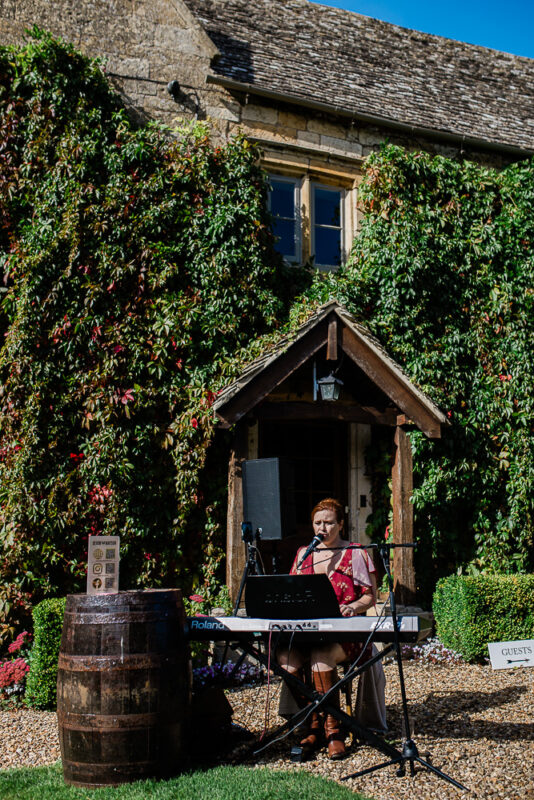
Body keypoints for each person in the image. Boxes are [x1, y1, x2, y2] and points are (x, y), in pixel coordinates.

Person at [277, 497, 386, 759]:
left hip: (344, 632)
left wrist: (353, 607)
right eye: (317, 523)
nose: (322, 528)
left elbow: (369, 596)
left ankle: (332, 729)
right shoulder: (304, 554)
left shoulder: (355, 552)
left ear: (340, 525)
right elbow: (292, 592)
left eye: (328, 523)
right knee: (285, 660)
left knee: (321, 656)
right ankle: (312, 722)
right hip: (307, 631)